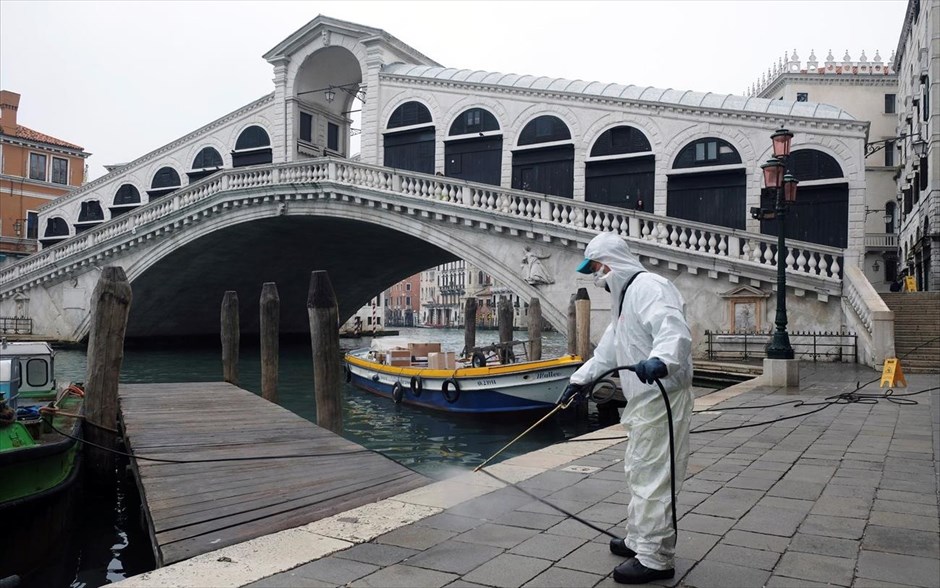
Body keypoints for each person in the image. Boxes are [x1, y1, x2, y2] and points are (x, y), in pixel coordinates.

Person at [560, 231, 693, 584]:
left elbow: (671, 328)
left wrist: (662, 360)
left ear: (611, 264)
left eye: (599, 268)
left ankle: (655, 558)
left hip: (660, 395)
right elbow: (607, 350)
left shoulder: (650, 287)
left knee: (654, 475)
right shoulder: (625, 299)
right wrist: (579, 381)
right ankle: (639, 539)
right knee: (639, 470)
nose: (597, 277)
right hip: (641, 401)